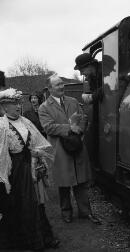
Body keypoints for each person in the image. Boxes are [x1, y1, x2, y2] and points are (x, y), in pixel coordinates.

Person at [0, 88, 59, 251]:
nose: (18, 107)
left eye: (18, 103)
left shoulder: (25, 121)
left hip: (30, 167)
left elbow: (36, 142)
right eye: (13, 104)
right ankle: (22, 242)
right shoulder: (2, 126)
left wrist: (37, 154)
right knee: (19, 205)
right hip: (15, 171)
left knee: (37, 204)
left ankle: (44, 238)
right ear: (4, 107)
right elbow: (1, 154)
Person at [38, 73, 101, 224]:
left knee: (80, 181)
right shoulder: (44, 108)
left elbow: (83, 117)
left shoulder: (73, 101)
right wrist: (70, 127)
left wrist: (80, 129)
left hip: (77, 145)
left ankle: (85, 212)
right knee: (64, 183)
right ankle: (66, 212)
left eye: (62, 83)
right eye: (58, 84)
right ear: (50, 88)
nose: (62, 86)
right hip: (60, 150)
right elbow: (48, 128)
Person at [74, 53, 103, 171]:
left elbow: (107, 88)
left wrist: (91, 97)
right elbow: (96, 92)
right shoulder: (91, 77)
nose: (81, 74)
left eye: (82, 70)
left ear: (90, 65)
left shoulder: (105, 71)